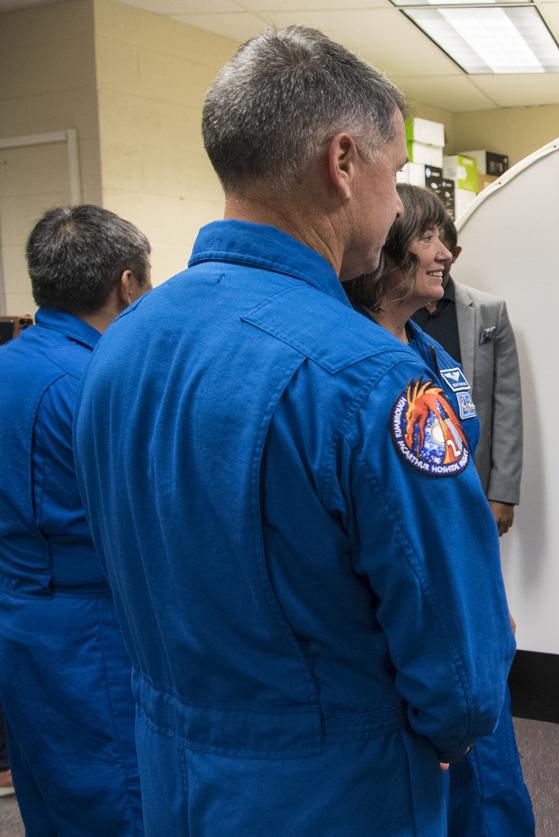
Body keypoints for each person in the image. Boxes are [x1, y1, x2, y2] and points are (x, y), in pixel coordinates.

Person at [74, 27, 513, 835]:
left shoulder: (120, 346)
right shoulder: (371, 381)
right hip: (336, 793)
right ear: (343, 162)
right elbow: (461, 675)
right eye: (395, 168)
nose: (397, 198)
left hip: (175, 779)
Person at [345, 183, 536, 837]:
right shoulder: (363, 370)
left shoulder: (433, 358)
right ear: (387, 249)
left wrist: (480, 594)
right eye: (426, 238)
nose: (443, 252)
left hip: (466, 607)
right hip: (419, 627)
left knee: (494, 790)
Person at [0, 205, 151, 834]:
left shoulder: (9, 364)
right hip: (94, 633)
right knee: (118, 800)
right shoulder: (99, 383)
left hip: (19, 620)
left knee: (50, 798)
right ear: (127, 284)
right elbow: (148, 517)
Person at [412, 216, 523, 537]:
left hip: (471, 475)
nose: (439, 256)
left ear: (455, 253)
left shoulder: (490, 311)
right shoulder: (388, 312)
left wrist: (503, 492)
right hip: (413, 475)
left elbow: (507, 404)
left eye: (443, 247)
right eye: (425, 242)